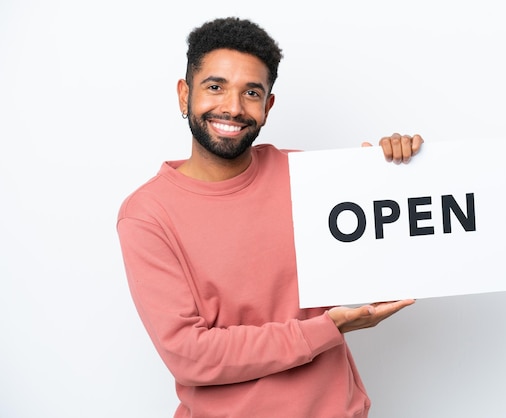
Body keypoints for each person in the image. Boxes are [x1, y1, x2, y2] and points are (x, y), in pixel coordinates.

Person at [117, 17, 424, 418]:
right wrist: (323, 330)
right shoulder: (146, 215)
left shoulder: (311, 177)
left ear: (267, 107)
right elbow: (190, 356)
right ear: (183, 94)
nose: (232, 106)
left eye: (251, 92)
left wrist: (397, 176)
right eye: (215, 86)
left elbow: (389, 272)